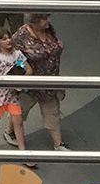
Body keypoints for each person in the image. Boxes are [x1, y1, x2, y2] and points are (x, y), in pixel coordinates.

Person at [16, 12, 66, 150]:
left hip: (49, 82)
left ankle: (58, 144)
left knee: (53, 113)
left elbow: (54, 46)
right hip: (30, 85)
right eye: (44, 18)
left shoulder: (49, 30)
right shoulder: (21, 36)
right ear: (34, 21)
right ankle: (11, 132)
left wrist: (59, 47)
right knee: (20, 111)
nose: (48, 20)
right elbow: (13, 57)